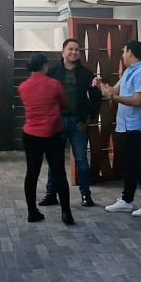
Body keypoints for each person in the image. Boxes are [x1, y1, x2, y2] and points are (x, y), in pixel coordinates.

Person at [94, 41, 141, 217]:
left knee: (137, 164)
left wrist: (114, 98)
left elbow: (137, 100)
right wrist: (100, 84)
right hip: (123, 125)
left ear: (130, 52)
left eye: (124, 52)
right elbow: (113, 91)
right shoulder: (129, 72)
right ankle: (127, 200)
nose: (122, 55)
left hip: (134, 125)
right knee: (130, 164)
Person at [39, 39, 102, 208]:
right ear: (63, 51)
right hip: (56, 121)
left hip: (77, 122)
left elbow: (96, 97)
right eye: (70, 49)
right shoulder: (52, 71)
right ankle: (51, 194)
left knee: (81, 159)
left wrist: (89, 117)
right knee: (54, 160)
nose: (74, 52)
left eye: (77, 50)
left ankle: (86, 195)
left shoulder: (86, 74)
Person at [19, 53, 73, 225]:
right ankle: (66, 213)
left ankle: (32, 212)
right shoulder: (54, 84)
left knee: (32, 173)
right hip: (52, 134)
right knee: (59, 173)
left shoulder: (23, 86)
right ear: (44, 66)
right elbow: (65, 104)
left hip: (30, 134)